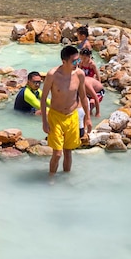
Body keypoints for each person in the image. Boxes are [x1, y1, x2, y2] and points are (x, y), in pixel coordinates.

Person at [41, 45, 92, 176]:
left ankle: (65, 180)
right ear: (64, 61)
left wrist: (87, 118)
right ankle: (51, 179)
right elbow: (43, 99)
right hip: (56, 117)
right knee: (57, 153)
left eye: (78, 60)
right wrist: (44, 122)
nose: (77, 64)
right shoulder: (53, 75)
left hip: (72, 116)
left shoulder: (79, 74)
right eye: (74, 61)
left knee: (68, 152)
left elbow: (83, 97)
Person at [79, 48, 104, 117]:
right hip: (85, 83)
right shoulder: (81, 62)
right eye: (81, 57)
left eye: (84, 58)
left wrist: (99, 84)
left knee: (91, 103)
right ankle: (89, 115)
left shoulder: (92, 64)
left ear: (89, 56)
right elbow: (77, 70)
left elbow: (98, 75)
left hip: (92, 85)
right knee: (84, 105)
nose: (83, 59)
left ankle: (93, 115)